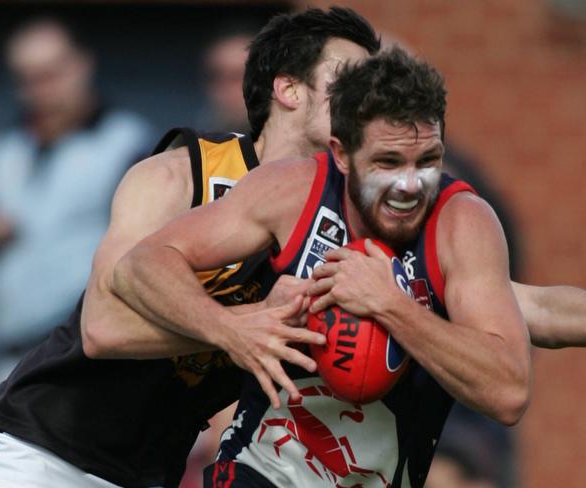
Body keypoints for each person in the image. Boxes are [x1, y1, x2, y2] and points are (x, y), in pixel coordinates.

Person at [0, 7, 381, 488]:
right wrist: (237, 328)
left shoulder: (347, 217)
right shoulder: (182, 170)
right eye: (350, 78)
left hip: (151, 472)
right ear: (289, 89)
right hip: (40, 448)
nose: (367, 98)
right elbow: (103, 329)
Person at [112, 47, 532, 488]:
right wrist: (231, 328)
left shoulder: (462, 222)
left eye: (427, 161)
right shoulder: (292, 190)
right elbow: (140, 265)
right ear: (342, 153)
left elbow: (508, 392)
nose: (410, 185)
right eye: (388, 162)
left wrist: (391, 305)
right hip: (260, 469)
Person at [0, 17, 154, 388]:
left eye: (51, 73)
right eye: (27, 78)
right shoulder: (4, 151)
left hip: (84, 359)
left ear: (81, 65)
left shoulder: (126, 143)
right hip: (11, 359)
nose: (39, 89)